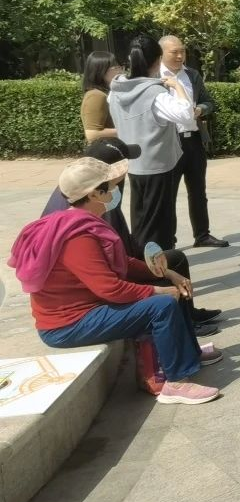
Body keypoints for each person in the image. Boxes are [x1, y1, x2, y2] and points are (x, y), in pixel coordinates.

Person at [8, 158, 221, 404]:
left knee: (171, 288)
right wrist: (157, 290)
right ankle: (175, 383)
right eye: (109, 187)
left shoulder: (78, 221)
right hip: (68, 325)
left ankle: (190, 354)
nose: (114, 191)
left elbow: (122, 262)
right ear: (94, 194)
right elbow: (109, 288)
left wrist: (166, 274)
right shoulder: (77, 237)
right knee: (162, 304)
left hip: (86, 311)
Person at [42, 137, 222, 334]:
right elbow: (115, 257)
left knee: (169, 261)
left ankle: (188, 316)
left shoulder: (78, 189)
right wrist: (155, 272)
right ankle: (184, 325)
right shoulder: (94, 203)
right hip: (91, 283)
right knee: (169, 266)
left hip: (100, 267)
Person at [108, 34, 197, 252]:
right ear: (158, 61)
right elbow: (186, 115)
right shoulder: (154, 93)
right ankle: (156, 267)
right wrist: (178, 87)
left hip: (134, 165)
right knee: (158, 226)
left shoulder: (117, 90)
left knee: (141, 219)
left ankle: (140, 262)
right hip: (158, 166)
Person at [159, 36, 227, 248]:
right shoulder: (154, 77)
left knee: (198, 191)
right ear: (161, 53)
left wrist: (201, 109)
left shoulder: (192, 75)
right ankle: (168, 240)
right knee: (168, 194)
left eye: (183, 51)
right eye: (174, 52)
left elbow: (209, 102)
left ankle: (202, 235)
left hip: (194, 140)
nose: (180, 56)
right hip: (169, 143)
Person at [81, 51, 122, 143]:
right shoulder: (96, 96)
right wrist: (128, 130)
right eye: (116, 68)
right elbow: (92, 134)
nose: (120, 72)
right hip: (107, 149)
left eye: (120, 67)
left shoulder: (107, 93)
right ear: (101, 71)